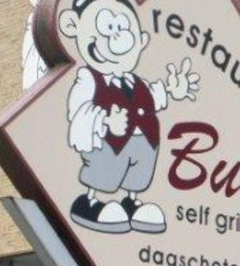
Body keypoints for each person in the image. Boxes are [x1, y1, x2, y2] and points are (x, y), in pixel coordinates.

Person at [58, 0, 199, 234]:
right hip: (109, 141)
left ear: (141, 41)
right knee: (105, 172)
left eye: (122, 27)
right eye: (107, 28)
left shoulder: (137, 82)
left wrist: (173, 89)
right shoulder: (89, 79)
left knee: (138, 174)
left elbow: (153, 96)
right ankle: (90, 202)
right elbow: (78, 109)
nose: (116, 36)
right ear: (74, 26)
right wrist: (104, 121)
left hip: (144, 140)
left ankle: (131, 203)